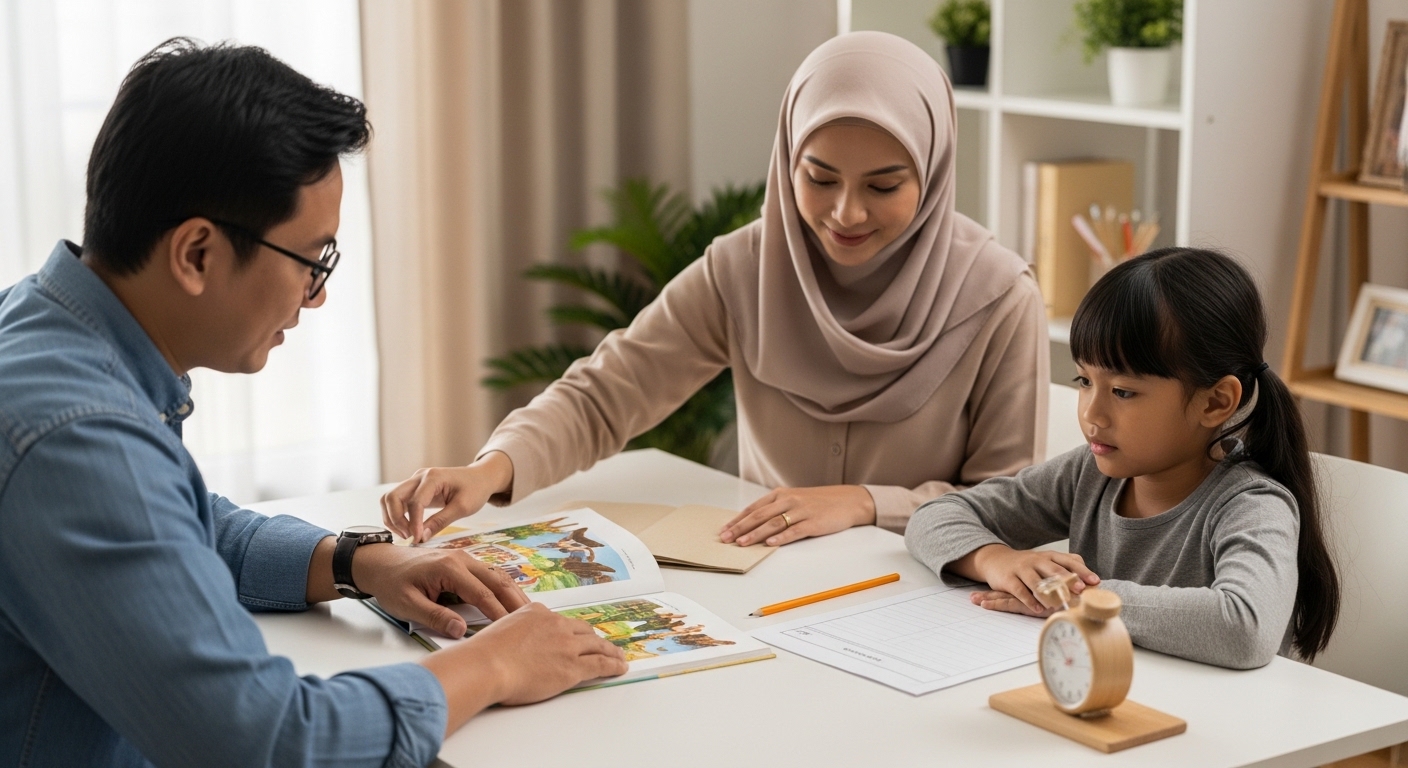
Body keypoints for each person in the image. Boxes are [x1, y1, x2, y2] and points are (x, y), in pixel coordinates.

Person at [0, 40, 625, 768]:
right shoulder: (77, 439)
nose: (317, 295)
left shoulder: (46, 328)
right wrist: (493, 665)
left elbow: (172, 528)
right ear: (197, 253)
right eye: (312, 260)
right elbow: (269, 741)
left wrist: (355, 561)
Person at [382, 31, 1049, 548]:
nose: (846, 213)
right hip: (766, 588)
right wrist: (490, 469)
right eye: (818, 178)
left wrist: (866, 502)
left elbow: (1012, 501)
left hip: (925, 603)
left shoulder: (999, 299)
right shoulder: (747, 269)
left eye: (883, 186)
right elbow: (608, 392)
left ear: (931, 176)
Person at [904, 248, 1340, 669]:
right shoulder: (1088, 474)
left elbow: (1244, 627)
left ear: (1215, 402)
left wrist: (1076, 597)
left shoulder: (1252, 504)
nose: (1092, 413)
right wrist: (995, 559)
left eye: (1123, 392)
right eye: (1084, 380)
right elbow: (935, 517)